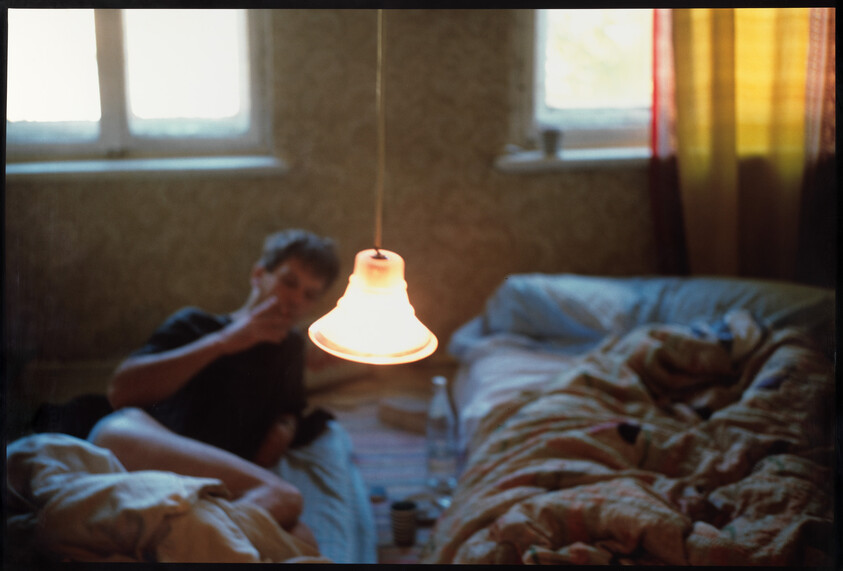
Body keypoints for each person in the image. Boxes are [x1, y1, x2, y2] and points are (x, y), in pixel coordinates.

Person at [87, 229, 340, 548]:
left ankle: (180, 537)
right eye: (289, 282)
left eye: (309, 294)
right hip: (142, 447)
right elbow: (121, 392)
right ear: (258, 274)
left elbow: (292, 406)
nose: (296, 300)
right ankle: (190, 538)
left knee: (305, 543)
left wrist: (285, 427)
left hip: (213, 483)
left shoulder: (289, 349)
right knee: (285, 497)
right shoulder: (196, 325)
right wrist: (226, 341)